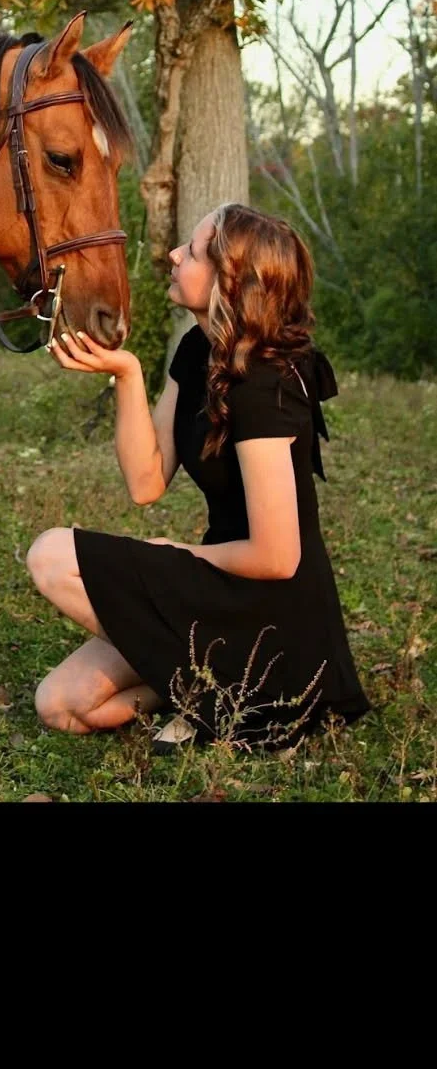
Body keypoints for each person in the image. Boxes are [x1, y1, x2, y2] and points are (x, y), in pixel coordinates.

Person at [27, 202, 371, 751]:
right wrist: (127, 373)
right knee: (62, 704)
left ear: (227, 277)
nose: (172, 255)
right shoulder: (199, 350)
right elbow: (146, 481)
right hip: (220, 589)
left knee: (50, 554)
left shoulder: (264, 385)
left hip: (272, 610)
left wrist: (179, 553)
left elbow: (278, 556)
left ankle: (240, 691)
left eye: (190, 251)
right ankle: (207, 690)